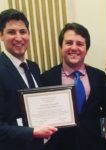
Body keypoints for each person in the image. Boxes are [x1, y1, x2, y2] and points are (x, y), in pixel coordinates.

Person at [41, 23, 106, 150]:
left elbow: (104, 111)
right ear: (61, 47)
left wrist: (105, 134)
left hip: (94, 145)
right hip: (60, 146)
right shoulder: (46, 78)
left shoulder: (99, 76)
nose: (74, 48)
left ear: (86, 49)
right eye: (69, 43)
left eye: (80, 44)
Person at [0, 8, 57, 150]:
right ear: (1, 35)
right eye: (11, 32)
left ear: (29, 34)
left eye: (23, 32)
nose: (19, 38)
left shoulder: (33, 67)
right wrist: (32, 132)